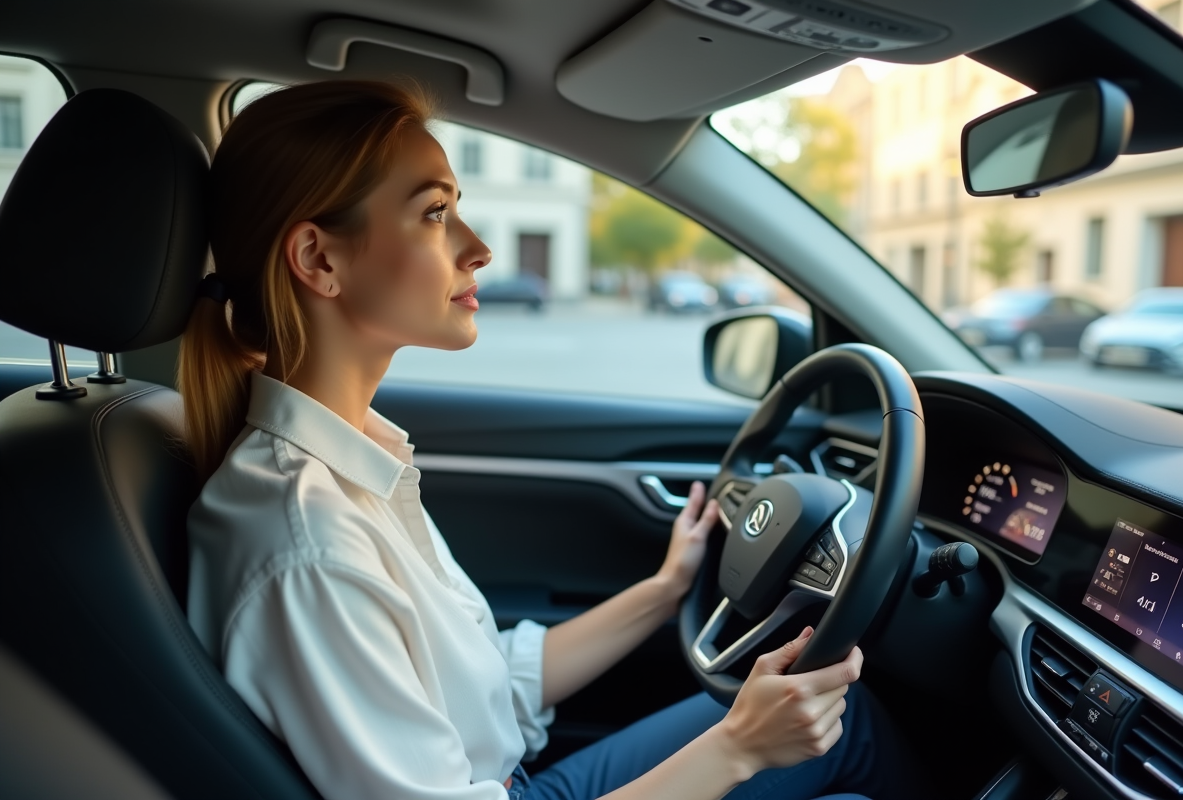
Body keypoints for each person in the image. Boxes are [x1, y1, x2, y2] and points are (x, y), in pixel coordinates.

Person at [179, 80, 920, 800]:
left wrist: (664, 592)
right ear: (319, 260)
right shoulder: (310, 548)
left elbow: (483, 687)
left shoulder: (349, 463)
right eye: (436, 214)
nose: (479, 250)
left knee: (847, 725)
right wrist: (740, 749)